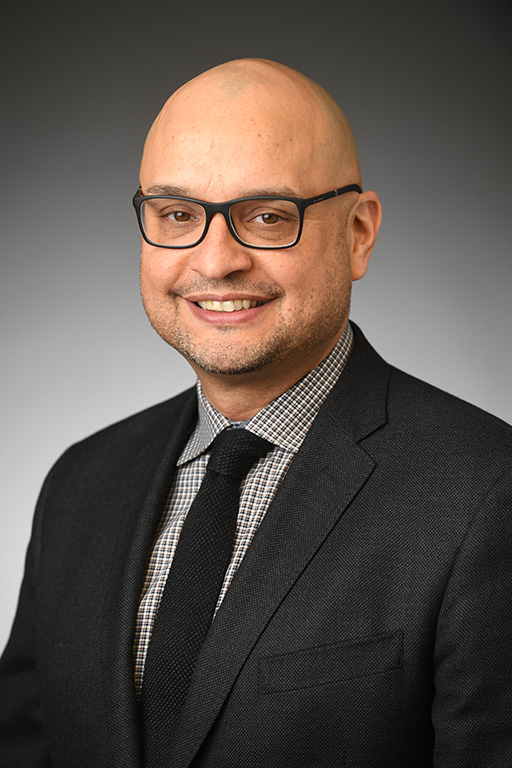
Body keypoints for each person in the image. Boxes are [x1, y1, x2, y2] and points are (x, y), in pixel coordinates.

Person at [0, 58, 511, 768]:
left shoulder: (485, 492)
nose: (216, 262)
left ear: (358, 234)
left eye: (268, 216)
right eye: (178, 214)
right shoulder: (81, 483)